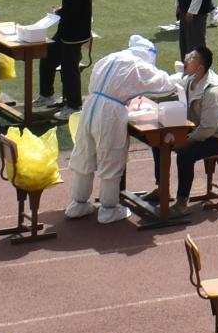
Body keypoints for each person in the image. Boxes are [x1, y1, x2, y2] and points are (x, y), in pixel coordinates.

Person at [62, 34, 181, 222]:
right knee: (111, 158)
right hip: (110, 113)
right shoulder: (138, 65)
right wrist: (182, 75)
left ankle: (78, 204)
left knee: (85, 155)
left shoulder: (108, 58)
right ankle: (108, 209)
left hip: (90, 106)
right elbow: (165, 86)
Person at [41, 0, 94, 110]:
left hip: (73, 34)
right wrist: (62, 10)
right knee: (47, 57)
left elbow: (73, 10)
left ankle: (74, 105)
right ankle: (47, 95)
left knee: (69, 70)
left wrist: (59, 12)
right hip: (68, 31)